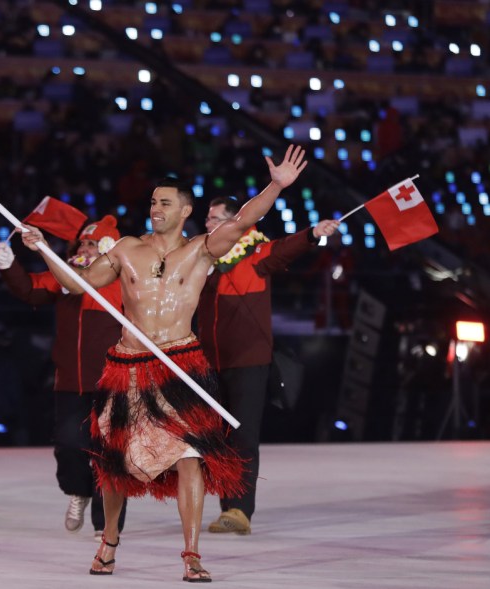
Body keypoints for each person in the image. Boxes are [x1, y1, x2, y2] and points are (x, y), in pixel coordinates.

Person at [21, 144, 309, 582]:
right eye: (153, 201)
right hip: (128, 364)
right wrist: (44, 249)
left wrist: (276, 186)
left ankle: (191, 554)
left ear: (185, 210)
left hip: (179, 364)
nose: (155, 208)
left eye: (165, 203)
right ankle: (109, 542)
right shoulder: (125, 249)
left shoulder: (200, 251)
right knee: (114, 460)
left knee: (190, 455)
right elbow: (77, 285)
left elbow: (244, 220)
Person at [197, 196, 340, 536]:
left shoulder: (255, 254)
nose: (207, 224)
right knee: (215, 439)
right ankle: (226, 506)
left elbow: (285, 249)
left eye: (215, 218)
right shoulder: (201, 257)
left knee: (243, 436)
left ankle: (239, 509)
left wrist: (312, 233)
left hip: (248, 361)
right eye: (207, 218)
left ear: (237, 223)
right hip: (208, 361)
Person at [0, 215, 126, 538]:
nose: (84, 247)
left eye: (92, 244)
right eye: (82, 242)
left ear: (108, 249)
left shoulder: (120, 282)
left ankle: (105, 524)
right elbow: (32, 291)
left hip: (113, 382)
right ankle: (78, 492)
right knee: (68, 445)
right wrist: (9, 266)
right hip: (70, 381)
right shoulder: (65, 276)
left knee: (109, 454)